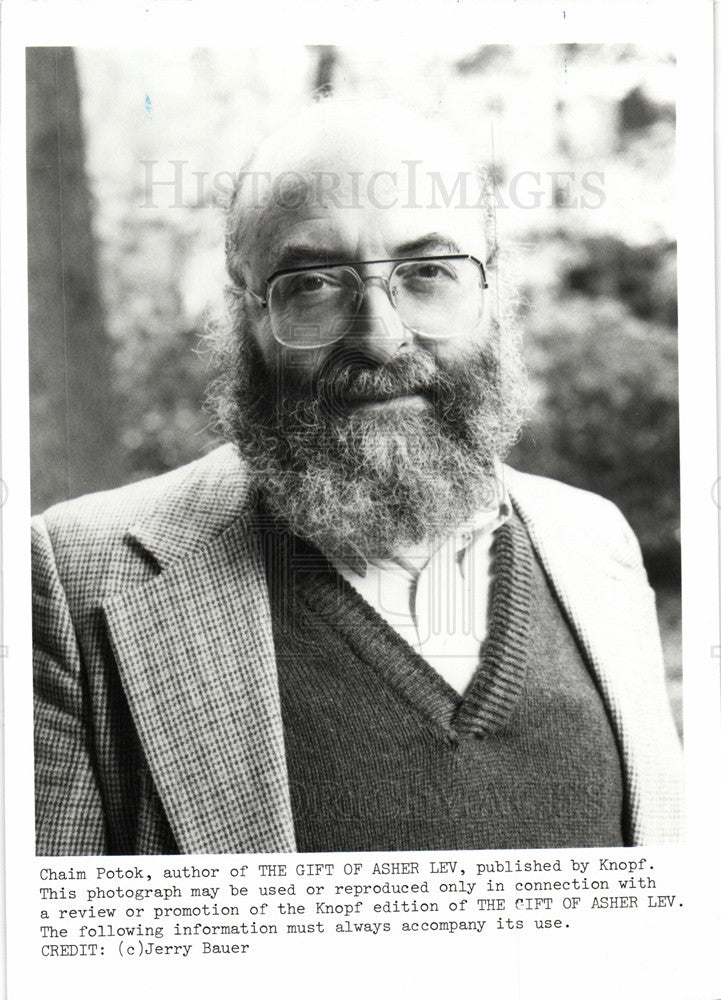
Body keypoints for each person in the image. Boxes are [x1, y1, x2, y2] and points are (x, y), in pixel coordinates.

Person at [34, 99, 683, 856]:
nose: (380, 337)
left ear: (493, 291)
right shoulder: (75, 576)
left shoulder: (595, 541)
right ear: (246, 313)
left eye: (428, 272)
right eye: (312, 284)